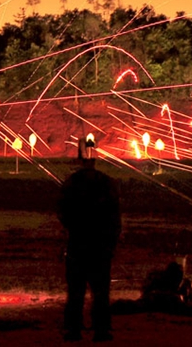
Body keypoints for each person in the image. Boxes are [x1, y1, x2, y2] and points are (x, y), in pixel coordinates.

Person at [58, 137, 121, 342]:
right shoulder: (106, 183)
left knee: (76, 291)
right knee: (100, 291)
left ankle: (74, 329)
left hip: (79, 242)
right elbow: (114, 216)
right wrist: (111, 241)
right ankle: (101, 329)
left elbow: (62, 213)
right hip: (99, 244)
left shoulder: (72, 183)